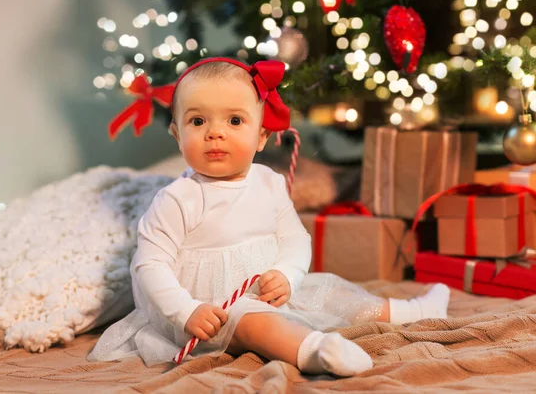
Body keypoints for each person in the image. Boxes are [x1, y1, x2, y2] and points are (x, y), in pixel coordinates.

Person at [87, 57, 450, 376]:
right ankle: (313, 351)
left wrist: (288, 276)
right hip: (208, 310)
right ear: (176, 133)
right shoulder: (177, 199)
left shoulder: (269, 183)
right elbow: (149, 266)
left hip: (263, 288)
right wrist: (186, 311)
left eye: (234, 120)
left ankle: (407, 311)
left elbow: (294, 239)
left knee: (331, 293)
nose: (215, 132)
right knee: (254, 325)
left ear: (261, 136)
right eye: (198, 121)